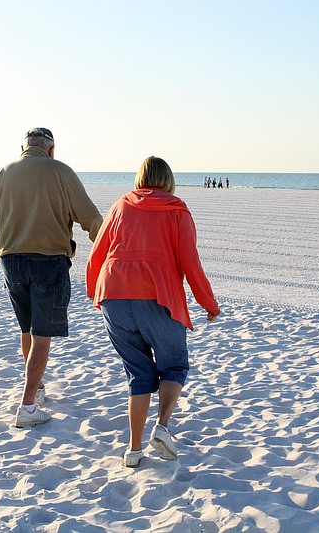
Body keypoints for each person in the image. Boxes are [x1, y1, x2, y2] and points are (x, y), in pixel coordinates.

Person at [86, 156, 220, 468]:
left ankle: (133, 450)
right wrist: (209, 305)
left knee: (139, 373)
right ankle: (161, 428)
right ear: (168, 179)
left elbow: (97, 255)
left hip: (114, 296)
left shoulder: (121, 205)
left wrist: (96, 293)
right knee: (173, 366)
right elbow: (190, 263)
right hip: (157, 296)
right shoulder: (176, 210)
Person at [0, 127, 103, 428]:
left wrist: (1, 252)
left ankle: (36, 388)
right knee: (41, 334)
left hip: (11, 261)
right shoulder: (61, 171)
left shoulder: (3, 173)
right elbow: (92, 220)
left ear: (23, 148)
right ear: (51, 149)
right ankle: (27, 406)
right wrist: (106, 254)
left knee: (27, 328)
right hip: (48, 261)